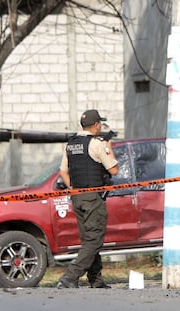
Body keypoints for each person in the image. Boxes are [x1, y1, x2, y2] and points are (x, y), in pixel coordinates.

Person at [57, 109, 118, 289]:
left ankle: (96, 280)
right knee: (95, 240)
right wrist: (110, 148)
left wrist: (73, 189)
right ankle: (70, 276)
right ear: (97, 125)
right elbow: (114, 170)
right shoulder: (98, 144)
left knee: (89, 238)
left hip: (77, 197)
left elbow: (63, 172)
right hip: (93, 198)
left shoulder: (71, 143)